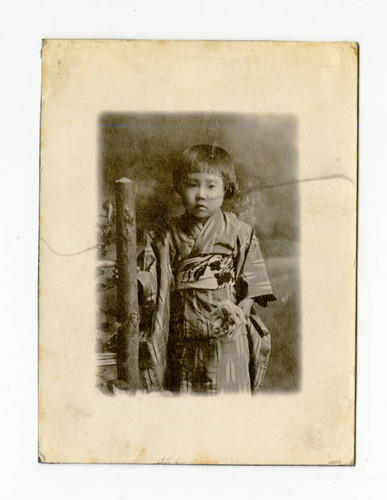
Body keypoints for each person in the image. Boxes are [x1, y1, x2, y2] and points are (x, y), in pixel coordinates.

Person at [137, 144, 276, 394]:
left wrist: (240, 311)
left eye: (211, 186)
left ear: (226, 188)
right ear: (179, 187)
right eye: (192, 184)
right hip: (183, 341)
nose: (201, 194)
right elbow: (149, 282)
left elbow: (252, 289)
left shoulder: (240, 232)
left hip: (228, 341)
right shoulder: (165, 234)